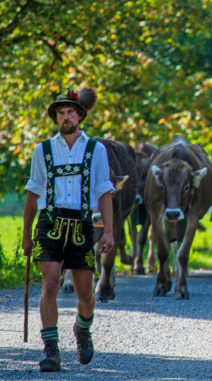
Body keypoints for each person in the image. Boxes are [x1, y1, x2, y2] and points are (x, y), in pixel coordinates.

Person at [22, 87, 115, 372]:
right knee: (49, 283)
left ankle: (82, 329)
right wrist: (26, 234)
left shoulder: (95, 150)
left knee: (85, 294)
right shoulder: (43, 150)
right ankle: (51, 350)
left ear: (80, 115)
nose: (66, 117)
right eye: (61, 113)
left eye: (70, 112)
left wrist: (109, 231)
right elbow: (32, 193)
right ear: (56, 118)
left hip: (81, 224)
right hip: (49, 223)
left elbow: (104, 191)